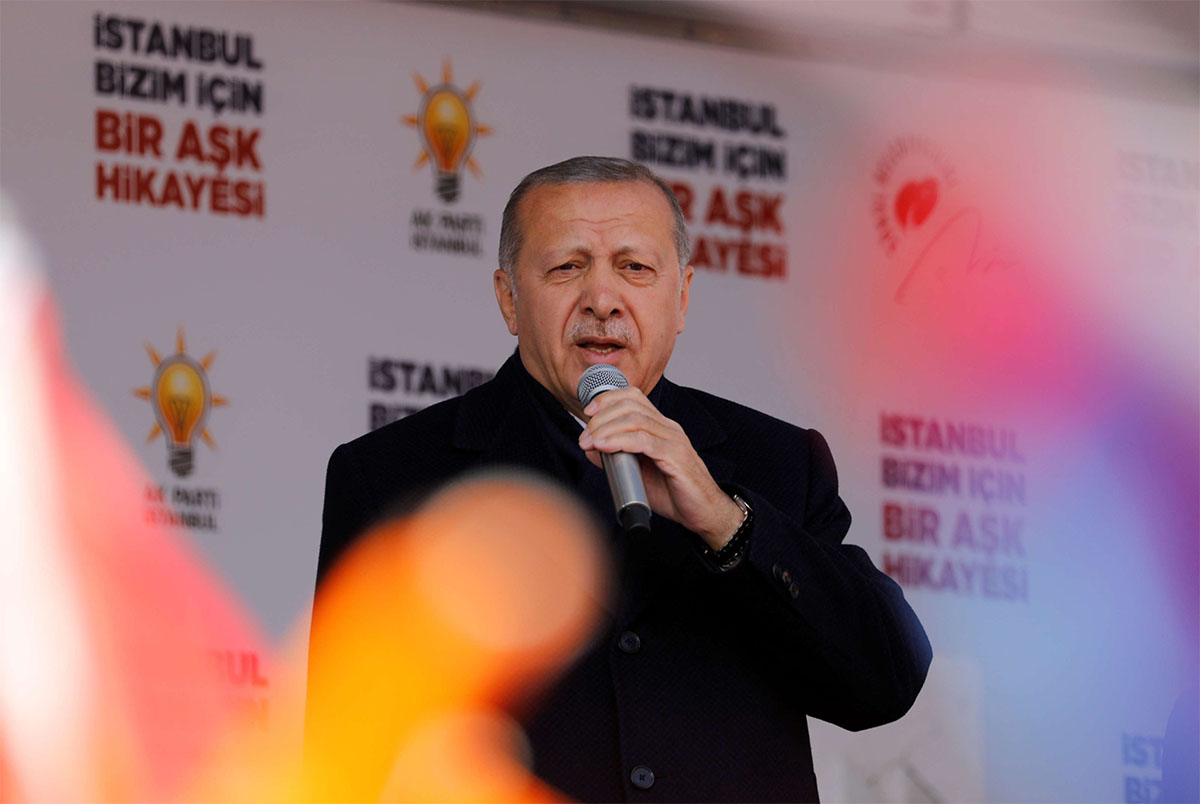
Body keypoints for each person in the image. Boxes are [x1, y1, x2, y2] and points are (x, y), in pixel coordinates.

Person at [312, 156, 932, 802]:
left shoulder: (777, 462)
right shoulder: (388, 476)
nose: (602, 300)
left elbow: (886, 680)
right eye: (566, 268)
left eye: (634, 268)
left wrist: (725, 520)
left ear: (683, 296)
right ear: (508, 299)